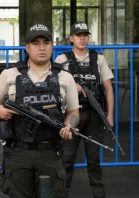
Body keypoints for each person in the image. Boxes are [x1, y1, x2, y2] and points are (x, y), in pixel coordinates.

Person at [0, 24, 80, 198]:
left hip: (50, 152)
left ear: (52, 46)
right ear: (27, 47)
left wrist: (69, 126)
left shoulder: (65, 77)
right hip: (18, 153)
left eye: (46, 42)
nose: (41, 48)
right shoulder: (9, 74)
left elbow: (73, 112)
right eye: (36, 43)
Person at [55, 22, 114, 198]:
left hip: (95, 116)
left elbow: (109, 89)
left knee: (94, 160)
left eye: (85, 35)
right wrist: (72, 85)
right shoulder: (62, 60)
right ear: (71, 38)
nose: (82, 38)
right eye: (78, 35)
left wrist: (109, 115)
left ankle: (99, 195)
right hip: (72, 115)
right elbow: (54, 86)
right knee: (67, 159)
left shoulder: (99, 59)